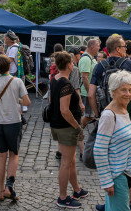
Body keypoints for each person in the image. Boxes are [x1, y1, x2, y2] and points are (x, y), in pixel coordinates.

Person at [0, 54, 31, 202]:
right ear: (9, 67)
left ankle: (0, 191)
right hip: (13, 122)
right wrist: (15, 99)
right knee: (14, 154)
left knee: (1, 157)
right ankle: (9, 186)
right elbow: (27, 102)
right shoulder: (16, 81)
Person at [93, 70, 131, 211]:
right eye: (123, 90)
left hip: (128, 174)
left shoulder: (124, 110)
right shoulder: (109, 115)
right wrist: (107, 181)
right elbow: (99, 150)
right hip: (117, 175)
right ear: (113, 91)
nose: (128, 94)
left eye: (130, 90)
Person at [49, 52, 87, 208]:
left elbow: (52, 102)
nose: (74, 64)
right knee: (66, 163)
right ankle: (63, 197)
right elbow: (64, 110)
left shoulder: (54, 79)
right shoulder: (65, 83)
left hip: (58, 126)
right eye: (72, 62)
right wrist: (76, 125)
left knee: (71, 161)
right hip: (66, 127)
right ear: (69, 64)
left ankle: (76, 189)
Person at [88, 34, 131, 133]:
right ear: (118, 49)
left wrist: (98, 115)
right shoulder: (130, 65)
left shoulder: (99, 66)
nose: (126, 49)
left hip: (106, 114)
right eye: (124, 47)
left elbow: (90, 95)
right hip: (126, 115)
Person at [79, 38, 99, 129]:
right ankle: (77, 132)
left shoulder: (91, 58)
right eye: (98, 46)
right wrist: (90, 92)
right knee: (89, 116)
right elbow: (84, 77)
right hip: (86, 93)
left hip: (90, 92)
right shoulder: (86, 59)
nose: (99, 48)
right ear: (92, 47)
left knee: (94, 115)